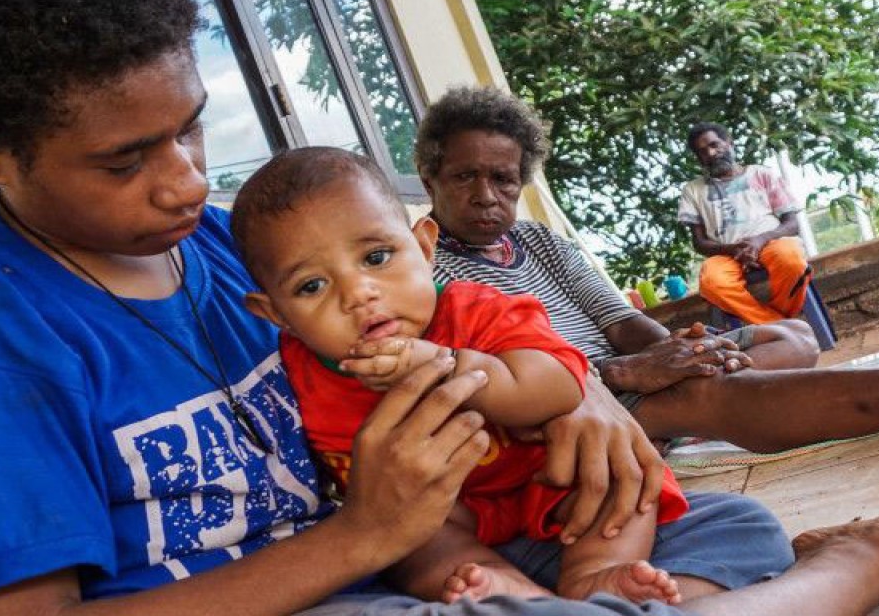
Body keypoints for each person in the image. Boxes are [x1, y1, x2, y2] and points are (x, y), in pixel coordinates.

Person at [0, 0, 879, 616]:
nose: (188, 181)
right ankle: (875, 558)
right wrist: (361, 539)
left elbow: (456, 366)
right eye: (126, 159)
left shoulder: (217, 247)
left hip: (437, 555)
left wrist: (576, 402)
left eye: (191, 127)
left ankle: (786, 557)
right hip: (349, 588)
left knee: (677, 525)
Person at [418, 85, 879, 451]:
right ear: (431, 175)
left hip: (634, 376)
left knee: (791, 340)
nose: (487, 196)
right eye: (466, 177)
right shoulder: (421, 268)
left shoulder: (542, 242)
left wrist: (686, 352)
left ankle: (687, 404)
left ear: (522, 182)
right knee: (711, 397)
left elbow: (619, 319)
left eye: (504, 180)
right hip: (570, 400)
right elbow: (490, 380)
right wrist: (632, 376)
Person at [230, 147, 694, 605]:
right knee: (409, 547)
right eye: (312, 286)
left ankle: (595, 573)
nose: (358, 294)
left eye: (376, 258)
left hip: (550, 480)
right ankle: (499, 584)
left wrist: (446, 364)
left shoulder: (475, 308)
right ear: (277, 315)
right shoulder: (293, 375)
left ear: (424, 245)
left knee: (620, 477)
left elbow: (557, 386)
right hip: (447, 513)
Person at [678, 122, 811, 324]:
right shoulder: (692, 190)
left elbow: (792, 224)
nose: (712, 153)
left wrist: (759, 240)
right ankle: (777, 323)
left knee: (791, 261)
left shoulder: (761, 174)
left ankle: (778, 322)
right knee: (712, 283)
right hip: (726, 253)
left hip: (771, 242)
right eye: (703, 151)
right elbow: (699, 243)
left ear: (729, 143)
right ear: (699, 158)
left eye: (715, 144)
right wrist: (734, 249)